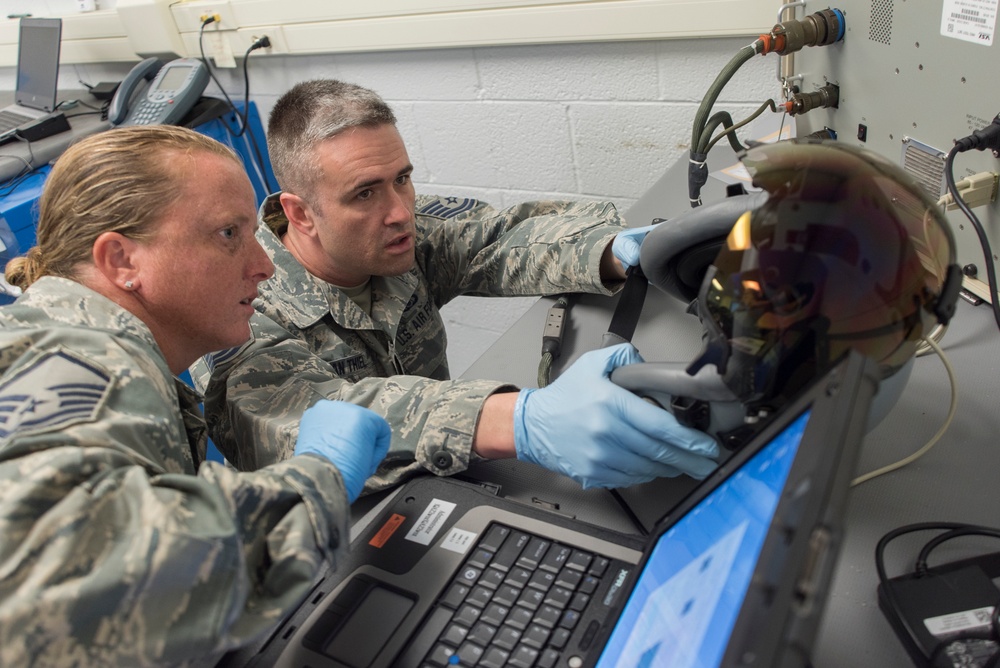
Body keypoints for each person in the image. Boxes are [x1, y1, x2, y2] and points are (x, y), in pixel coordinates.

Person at [193, 78, 719, 492]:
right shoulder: (235, 308)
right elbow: (313, 424)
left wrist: (622, 248)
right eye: (364, 194)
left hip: (449, 479)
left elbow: (496, 239)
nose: (400, 212)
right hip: (338, 539)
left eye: (402, 178)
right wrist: (519, 421)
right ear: (300, 214)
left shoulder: (392, 235)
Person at [0, 125, 393, 666]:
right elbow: (69, 576)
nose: (263, 265)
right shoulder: (81, 361)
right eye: (229, 234)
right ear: (121, 261)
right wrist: (316, 480)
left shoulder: (67, 336)